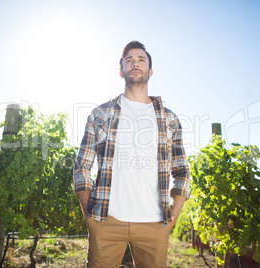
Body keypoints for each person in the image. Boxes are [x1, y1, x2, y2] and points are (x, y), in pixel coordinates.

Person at [73, 41, 190, 267]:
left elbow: (182, 171)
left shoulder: (170, 120)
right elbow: (81, 166)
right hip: (106, 221)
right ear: (121, 71)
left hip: (155, 224)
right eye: (129, 60)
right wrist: (88, 211)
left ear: (150, 71)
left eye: (141, 60)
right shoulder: (100, 114)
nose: (135, 63)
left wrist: (173, 216)